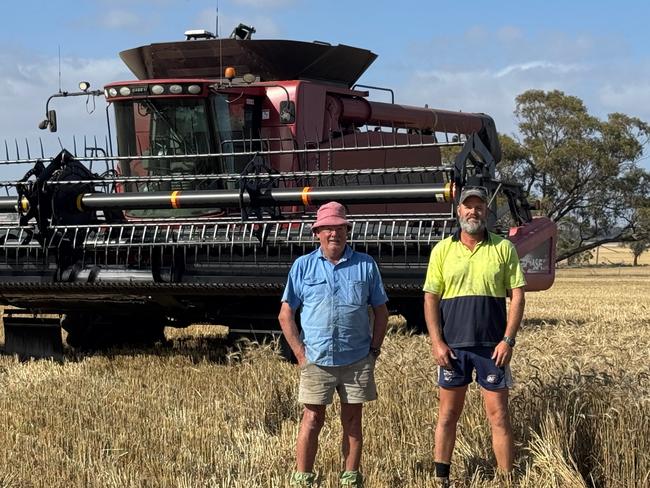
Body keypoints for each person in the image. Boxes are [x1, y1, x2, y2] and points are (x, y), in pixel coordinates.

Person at [278, 201, 389, 488]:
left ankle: (350, 477)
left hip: (356, 360)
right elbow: (285, 314)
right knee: (312, 419)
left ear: (347, 232)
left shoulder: (366, 265)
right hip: (317, 360)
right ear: (317, 232)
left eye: (339, 228)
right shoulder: (302, 267)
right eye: (327, 228)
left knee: (353, 421)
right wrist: (301, 355)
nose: (333, 234)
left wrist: (373, 351)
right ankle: (303, 477)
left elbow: (381, 311)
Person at [423, 186, 526, 486]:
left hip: (491, 349)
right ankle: (441, 479)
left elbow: (517, 296)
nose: (473, 212)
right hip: (452, 349)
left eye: (479, 207)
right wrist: (437, 342)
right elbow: (430, 298)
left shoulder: (503, 248)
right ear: (458, 211)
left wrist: (508, 340)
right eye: (468, 206)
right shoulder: (442, 250)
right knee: (447, 416)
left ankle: (506, 480)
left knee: (499, 417)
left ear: (486, 212)